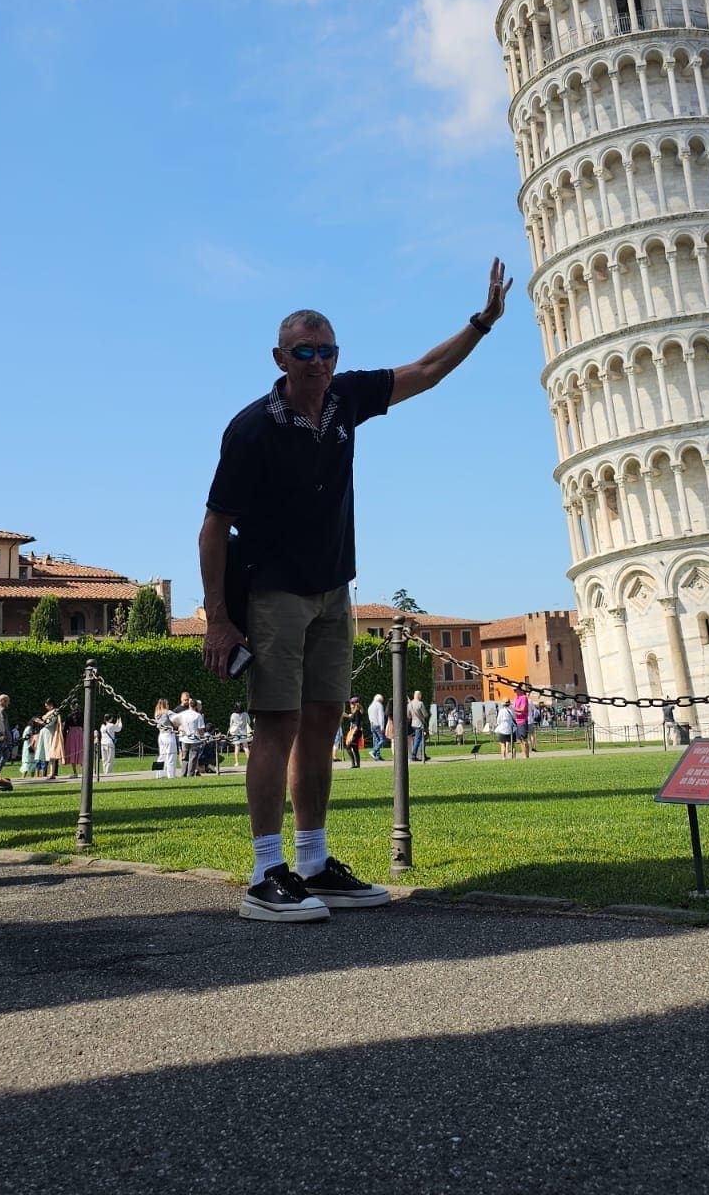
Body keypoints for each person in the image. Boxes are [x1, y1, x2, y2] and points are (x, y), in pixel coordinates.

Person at [199, 259, 512, 922]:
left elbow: (423, 372)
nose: (316, 362)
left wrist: (481, 323)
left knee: (320, 726)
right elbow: (213, 527)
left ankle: (312, 863)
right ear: (280, 357)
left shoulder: (346, 398)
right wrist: (219, 621)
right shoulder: (251, 428)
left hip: (333, 592)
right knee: (275, 728)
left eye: (326, 351)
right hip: (274, 593)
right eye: (304, 352)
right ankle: (265, 873)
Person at [341, 697, 365, 769]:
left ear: (356, 704)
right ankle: (357, 764)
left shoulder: (357, 712)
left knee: (348, 746)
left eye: (352, 703)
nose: (351, 704)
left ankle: (353, 764)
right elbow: (353, 720)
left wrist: (353, 734)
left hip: (356, 731)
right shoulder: (355, 712)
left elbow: (357, 724)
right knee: (355, 748)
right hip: (355, 731)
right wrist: (348, 716)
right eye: (350, 703)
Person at [407, 690, 429, 763]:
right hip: (420, 724)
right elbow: (425, 714)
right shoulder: (420, 703)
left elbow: (408, 715)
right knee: (419, 740)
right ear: (419, 695)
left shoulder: (410, 704)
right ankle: (414, 755)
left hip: (413, 724)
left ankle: (423, 755)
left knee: (418, 739)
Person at [511, 686, 531, 759]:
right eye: (514, 690)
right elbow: (516, 710)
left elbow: (522, 709)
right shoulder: (515, 698)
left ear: (520, 690)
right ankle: (523, 754)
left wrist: (514, 709)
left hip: (522, 720)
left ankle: (526, 755)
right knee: (520, 740)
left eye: (515, 690)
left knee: (524, 738)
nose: (515, 692)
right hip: (517, 721)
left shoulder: (524, 697)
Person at [367, 693, 387, 761]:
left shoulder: (370, 706)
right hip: (378, 724)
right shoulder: (379, 705)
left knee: (376, 740)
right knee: (382, 739)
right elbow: (381, 716)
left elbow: (369, 716)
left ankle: (377, 756)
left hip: (372, 724)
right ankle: (374, 751)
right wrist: (382, 726)